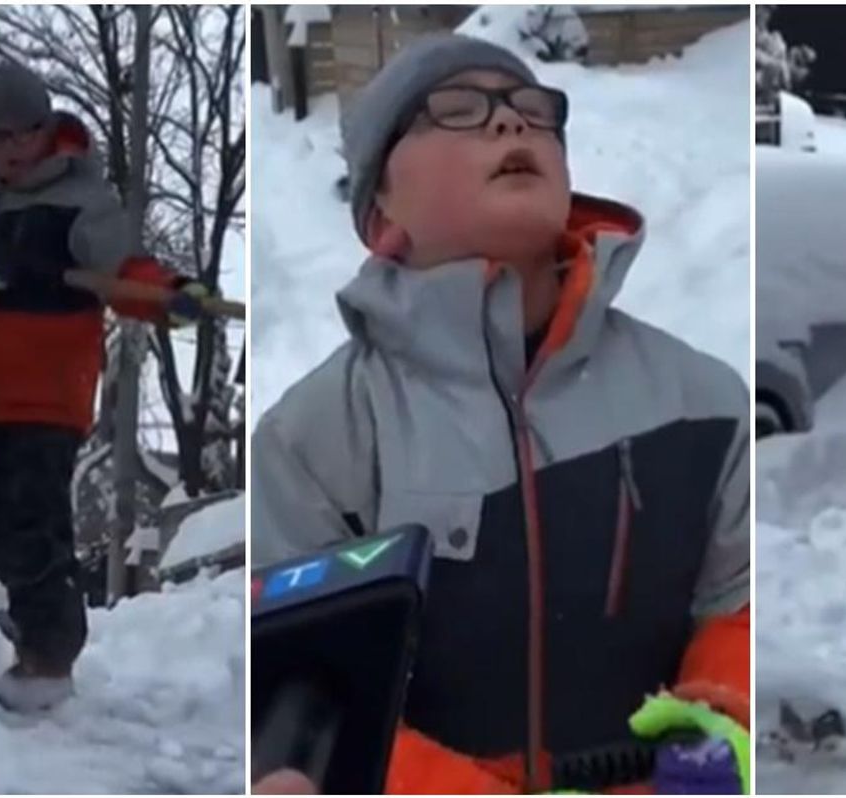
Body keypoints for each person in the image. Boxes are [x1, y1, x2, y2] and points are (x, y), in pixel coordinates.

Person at [250, 35, 749, 793]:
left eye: (534, 111)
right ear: (381, 211)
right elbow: (300, 703)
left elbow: (740, 610)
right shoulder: (314, 441)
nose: (512, 123)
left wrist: (718, 723)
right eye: (456, 109)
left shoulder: (703, 401)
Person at [0, 61, 209, 710]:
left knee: (27, 526)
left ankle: (45, 662)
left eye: (24, 133)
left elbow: (126, 272)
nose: (11, 148)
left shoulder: (82, 204)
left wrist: (170, 295)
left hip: (46, 403)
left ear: (46, 130)